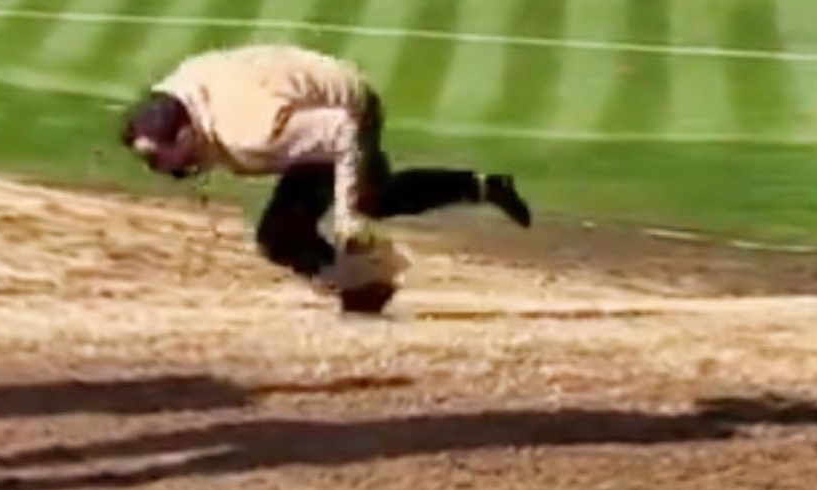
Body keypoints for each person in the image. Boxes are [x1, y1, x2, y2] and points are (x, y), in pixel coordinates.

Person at [118, 44, 534, 314]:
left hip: (345, 104)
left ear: (188, 133)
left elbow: (341, 131)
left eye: (159, 160)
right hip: (296, 98)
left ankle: (366, 282)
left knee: (366, 202)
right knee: (292, 228)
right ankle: (364, 284)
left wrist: (348, 215)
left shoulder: (250, 133)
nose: (160, 170)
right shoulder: (173, 97)